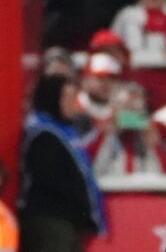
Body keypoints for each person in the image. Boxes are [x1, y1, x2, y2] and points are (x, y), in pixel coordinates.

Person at [18, 75, 105, 252]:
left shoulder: (67, 132)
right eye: (68, 98)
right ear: (53, 98)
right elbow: (51, 180)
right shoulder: (42, 134)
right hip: (51, 220)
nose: (74, 104)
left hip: (68, 220)